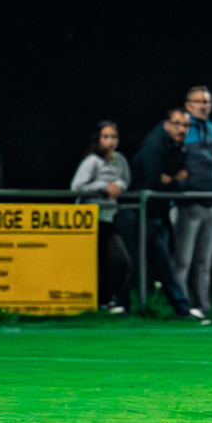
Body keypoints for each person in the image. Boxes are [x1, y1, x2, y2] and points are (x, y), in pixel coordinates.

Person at [131, 107, 198, 319]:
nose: (182, 129)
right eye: (177, 124)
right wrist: (174, 180)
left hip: (158, 212)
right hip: (143, 213)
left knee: (157, 262)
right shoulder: (154, 146)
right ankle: (181, 307)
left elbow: (184, 179)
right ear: (166, 124)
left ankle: (145, 305)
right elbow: (153, 185)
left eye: (186, 125)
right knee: (161, 261)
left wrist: (172, 179)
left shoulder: (174, 147)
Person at [171, 85, 212, 320]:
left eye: (207, 102)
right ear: (187, 104)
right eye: (198, 101)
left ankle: (203, 306)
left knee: (204, 262)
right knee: (182, 261)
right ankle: (181, 307)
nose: (203, 106)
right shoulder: (182, 130)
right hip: (187, 206)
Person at [72, 120, 133, 313]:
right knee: (98, 263)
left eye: (114, 137)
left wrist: (118, 187)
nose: (110, 141)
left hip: (109, 217)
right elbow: (76, 187)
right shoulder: (92, 162)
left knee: (119, 261)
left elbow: (125, 180)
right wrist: (101, 187)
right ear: (98, 140)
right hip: (90, 219)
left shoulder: (120, 160)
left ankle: (109, 300)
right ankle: (96, 302)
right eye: (106, 137)